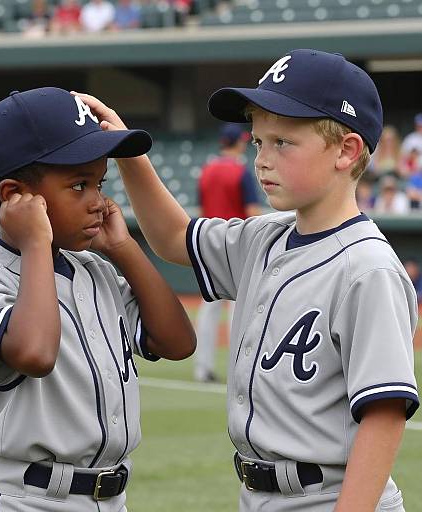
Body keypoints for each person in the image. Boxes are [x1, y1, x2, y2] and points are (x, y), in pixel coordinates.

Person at [78, 48, 419, 512]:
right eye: (259, 142)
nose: (262, 159)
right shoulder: (265, 237)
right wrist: (128, 152)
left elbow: (383, 416)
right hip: (260, 495)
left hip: (330, 497)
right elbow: (176, 237)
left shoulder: (368, 268)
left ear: (346, 150)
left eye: (283, 142)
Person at [0, 87, 196, 511]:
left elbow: (176, 342)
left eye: (99, 182)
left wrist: (123, 250)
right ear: (14, 196)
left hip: (110, 498)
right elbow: (35, 352)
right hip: (26, 498)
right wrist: (37, 243)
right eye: (79, 185)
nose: (98, 201)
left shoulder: (93, 269)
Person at [194, 122, 262, 383]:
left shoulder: (206, 170)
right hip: (237, 246)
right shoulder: (241, 172)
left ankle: (202, 368)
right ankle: (239, 370)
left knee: (208, 309)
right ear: (239, 143)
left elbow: (201, 213)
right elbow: (253, 214)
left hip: (209, 244)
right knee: (239, 311)